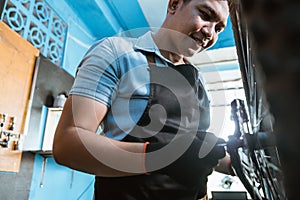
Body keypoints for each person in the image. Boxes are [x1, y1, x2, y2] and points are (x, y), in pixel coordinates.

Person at [53, 0, 231, 199]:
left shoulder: (199, 82)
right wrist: (161, 157)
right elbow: (67, 144)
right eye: (206, 15)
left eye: (219, 28)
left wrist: (235, 162)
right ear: (174, 5)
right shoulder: (116, 53)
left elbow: (194, 155)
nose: (210, 33)